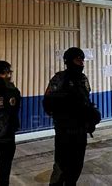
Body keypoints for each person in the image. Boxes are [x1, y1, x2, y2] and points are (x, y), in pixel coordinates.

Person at [43, 47, 101, 186]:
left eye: (82, 59)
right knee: (61, 166)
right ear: (68, 61)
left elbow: (86, 100)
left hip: (81, 130)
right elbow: (48, 103)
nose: (81, 62)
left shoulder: (83, 78)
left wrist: (90, 115)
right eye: (77, 59)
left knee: (77, 165)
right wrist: (67, 108)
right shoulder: (59, 78)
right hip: (65, 131)